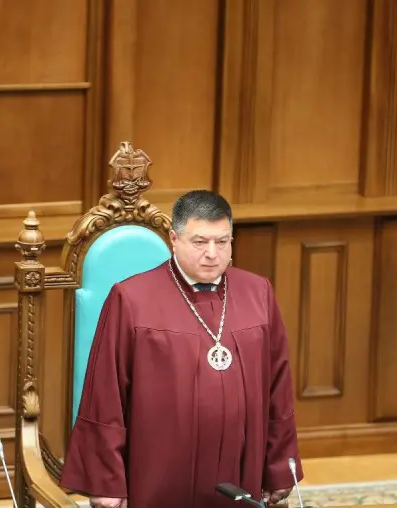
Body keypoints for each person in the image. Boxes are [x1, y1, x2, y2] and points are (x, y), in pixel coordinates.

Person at [60, 190, 302, 508]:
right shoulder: (131, 299)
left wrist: (279, 466)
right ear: (174, 239)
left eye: (222, 242)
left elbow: (278, 387)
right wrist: (106, 481)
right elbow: (105, 396)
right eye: (200, 242)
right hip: (159, 474)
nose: (212, 254)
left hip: (242, 470)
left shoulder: (257, 292)